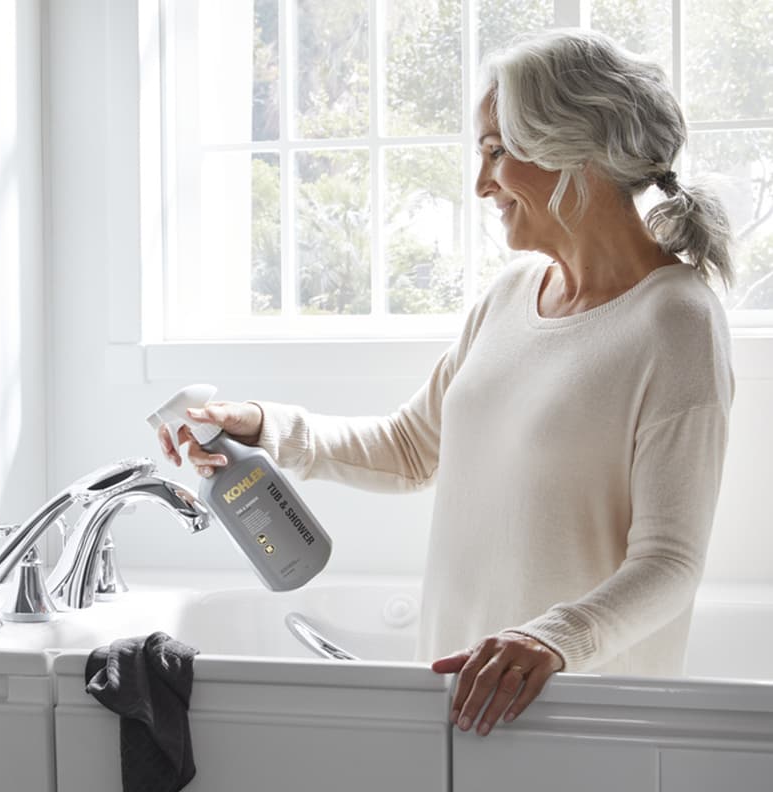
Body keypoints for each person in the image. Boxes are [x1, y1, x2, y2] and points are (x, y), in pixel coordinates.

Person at [157, 30, 734, 738]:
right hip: (464, 701)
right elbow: (410, 448)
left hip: (577, 716)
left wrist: (553, 639)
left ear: (572, 149)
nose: (481, 183)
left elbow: (670, 563)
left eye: (497, 151)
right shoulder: (513, 292)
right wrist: (265, 425)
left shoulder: (676, 320)